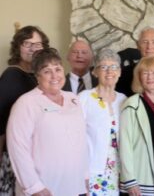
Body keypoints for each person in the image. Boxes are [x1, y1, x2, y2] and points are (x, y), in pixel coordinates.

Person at [7, 48, 89, 196]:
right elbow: (17, 148)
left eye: (57, 69)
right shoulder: (26, 103)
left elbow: (81, 141)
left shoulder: (73, 99)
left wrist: (85, 177)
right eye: (47, 71)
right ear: (37, 76)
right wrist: (34, 187)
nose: (54, 76)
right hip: (44, 189)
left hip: (75, 186)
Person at [0, 25, 49, 195]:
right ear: (18, 47)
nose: (33, 48)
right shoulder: (12, 76)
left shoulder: (40, 77)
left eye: (37, 44)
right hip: (15, 155)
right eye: (27, 44)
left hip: (36, 155)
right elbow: (0, 121)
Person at [119, 57, 154, 196]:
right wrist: (130, 180)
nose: (150, 77)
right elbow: (125, 143)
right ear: (139, 77)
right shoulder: (132, 104)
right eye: (145, 73)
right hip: (143, 173)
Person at [79, 48, 127, 195]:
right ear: (95, 72)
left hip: (118, 171)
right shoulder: (85, 98)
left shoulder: (123, 100)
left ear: (119, 72)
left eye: (114, 67)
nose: (109, 71)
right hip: (92, 170)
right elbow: (75, 137)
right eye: (104, 67)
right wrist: (81, 173)